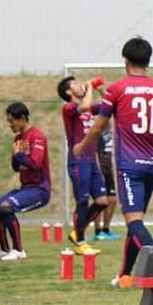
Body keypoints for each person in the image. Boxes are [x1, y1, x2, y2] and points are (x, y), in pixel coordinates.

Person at [74, 37, 153, 288]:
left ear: (125, 60)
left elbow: (99, 124)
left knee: (134, 222)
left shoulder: (116, 89)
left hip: (129, 167)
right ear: (148, 61)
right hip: (152, 165)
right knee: (135, 221)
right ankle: (124, 274)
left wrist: (82, 145)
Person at [0, 102, 52, 260]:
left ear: (22, 118)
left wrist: (19, 155)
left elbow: (36, 164)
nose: (10, 125)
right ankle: (4, 249)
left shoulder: (37, 136)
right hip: (25, 188)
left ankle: (18, 250)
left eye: (12, 121)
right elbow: (16, 168)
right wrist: (16, 155)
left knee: (6, 207)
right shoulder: (18, 138)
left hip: (39, 190)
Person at [57, 76, 107, 255]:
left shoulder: (86, 109)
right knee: (82, 201)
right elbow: (85, 106)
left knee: (102, 201)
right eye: (75, 85)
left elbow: (106, 107)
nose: (81, 85)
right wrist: (89, 87)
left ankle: (77, 232)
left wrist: (102, 91)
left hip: (91, 161)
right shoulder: (69, 108)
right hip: (78, 161)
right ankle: (80, 242)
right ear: (69, 92)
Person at [92, 127, 120, 241]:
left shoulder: (109, 130)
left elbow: (110, 153)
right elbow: (93, 152)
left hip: (108, 170)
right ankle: (97, 231)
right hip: (100, 171)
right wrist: (98, 172)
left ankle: (106, 229)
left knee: (112, 200)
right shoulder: (96, 129)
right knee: (99, 201)